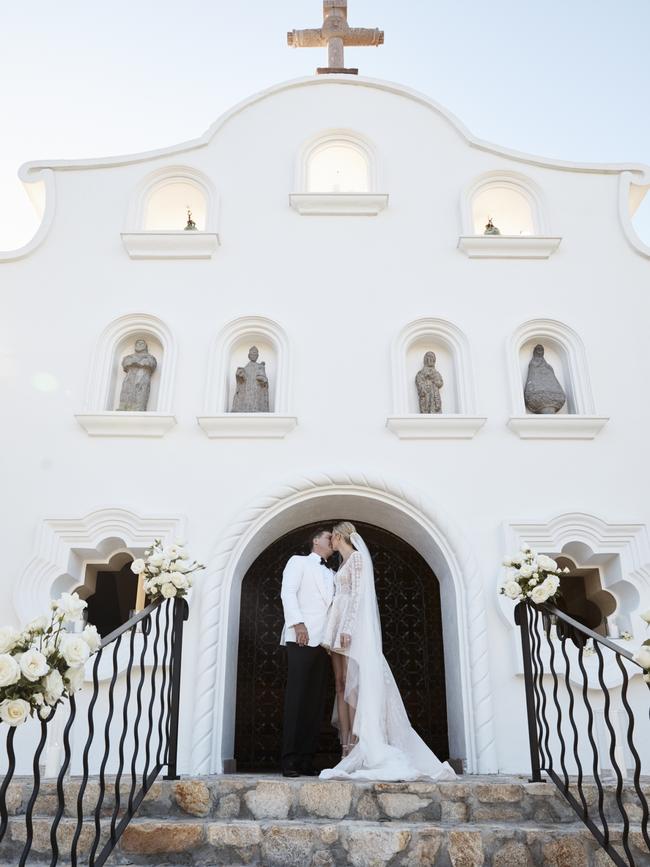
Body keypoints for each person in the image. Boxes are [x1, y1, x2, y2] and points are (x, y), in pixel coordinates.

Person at [320, 521, 456, 782]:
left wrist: (347, 628)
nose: (330, 543)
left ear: (338, 537)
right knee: (339, 683)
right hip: (335, 626)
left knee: (353, 684)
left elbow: (359, 596)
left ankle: (359, 741)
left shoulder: (357, 559)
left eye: (332, 538)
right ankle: (345, 744)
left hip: (351, 628)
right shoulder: (341, 564)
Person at [279, 528, 334, 776]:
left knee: (315, 702)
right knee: (297, 699)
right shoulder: (298, 562)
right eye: (328, 537)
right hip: (301, 637)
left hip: (324, 643)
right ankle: (289, 759)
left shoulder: (332, 573)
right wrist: (298, 623)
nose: (332, 540)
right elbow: (288, 592)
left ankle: (305, 758)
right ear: (315, 541)